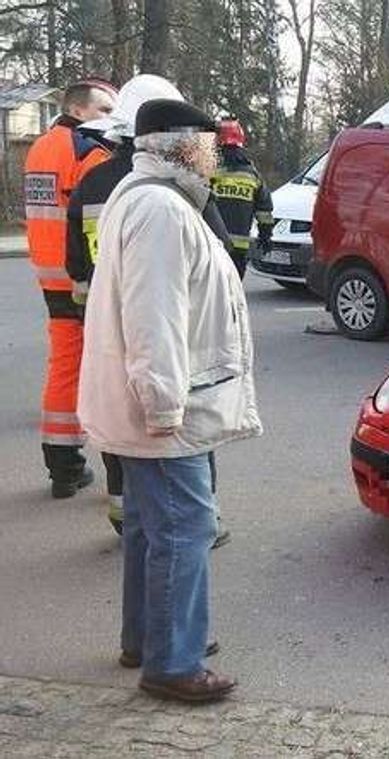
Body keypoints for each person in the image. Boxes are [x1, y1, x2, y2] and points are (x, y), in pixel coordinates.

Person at [78, 99, 262, 702]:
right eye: (206, 145)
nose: (213, 156)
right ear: (180, 146)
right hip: (164, 412)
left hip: (153, 407)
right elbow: (154, 319)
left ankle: (150, 639)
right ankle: (174, 662)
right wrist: (163, 407)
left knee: (152, 528)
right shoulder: (160, 209)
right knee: (186, 528)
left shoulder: (153, 199)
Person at [67, 75, 233, 546]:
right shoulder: (169, 195)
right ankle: (191, 524)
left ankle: (130, 519)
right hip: (163, 346)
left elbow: (74, 263)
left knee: (126, 445)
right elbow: (217, 250)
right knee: (180, 452)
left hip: (105, 331)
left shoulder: (96, 183)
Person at [23, 78, 117, 498]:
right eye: (105, 110)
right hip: (81, 279)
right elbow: (97, 223)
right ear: (79, 110)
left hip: (48, 275)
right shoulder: (89, 151)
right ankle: (121, 473)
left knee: (63, 367)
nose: (110, 120)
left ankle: (63, 467)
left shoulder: (40, 147)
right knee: (107, 371)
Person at [210, 117, 274, 278]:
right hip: (239, 248)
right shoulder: (252, 175)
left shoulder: (209, 171)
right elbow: (264, 211)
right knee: (233, 293)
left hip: (212, 244)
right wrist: (265, 236)